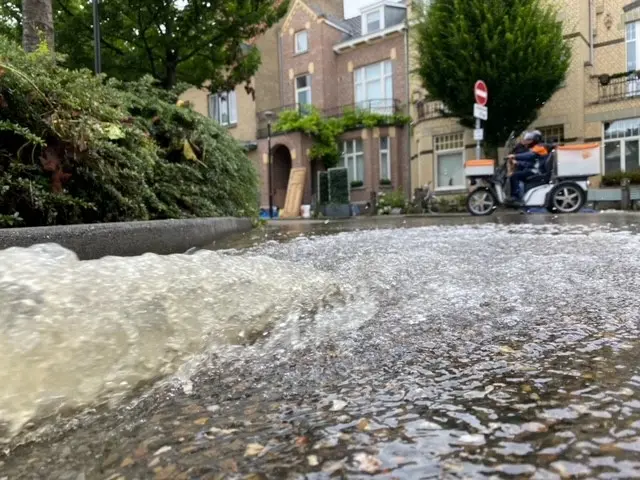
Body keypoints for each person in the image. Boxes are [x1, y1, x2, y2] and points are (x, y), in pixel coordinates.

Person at [507, 130, 549, 203]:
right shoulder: (536, 147)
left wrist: (515, 156)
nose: (527, 141)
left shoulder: (539, 147)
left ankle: (515, 197)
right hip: (534, 169)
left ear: (535, 139)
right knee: (517, 174)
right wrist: (518, 163)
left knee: (514, 176)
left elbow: (529, 156)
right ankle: (521, 198)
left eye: (530, 139)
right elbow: (530, 163)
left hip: (537, 171)